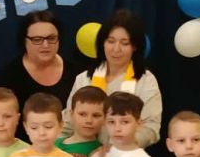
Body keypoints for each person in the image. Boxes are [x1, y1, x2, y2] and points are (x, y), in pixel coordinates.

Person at [62, 9, 162, 147]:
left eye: (124, 43)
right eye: (111, 41)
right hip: (82, 154)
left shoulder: (146, 80)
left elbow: (151, 128)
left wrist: (119, 147)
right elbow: (67, 123)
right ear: (102, 43)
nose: (116, 49)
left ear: (135, 46)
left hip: (125, 155)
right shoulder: (83, 79)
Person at [0, 10, 79, 125]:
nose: (45, 45)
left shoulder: (76, 72)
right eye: (37, 40)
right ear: (24, 41)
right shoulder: (9, 78)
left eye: (51, 38)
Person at [57, 85, 106, 157]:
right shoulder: (53, 144)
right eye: (82, 114)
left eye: (96, 115)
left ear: (105, 118)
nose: (89, 120)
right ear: (71, 114)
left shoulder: (103, 153)